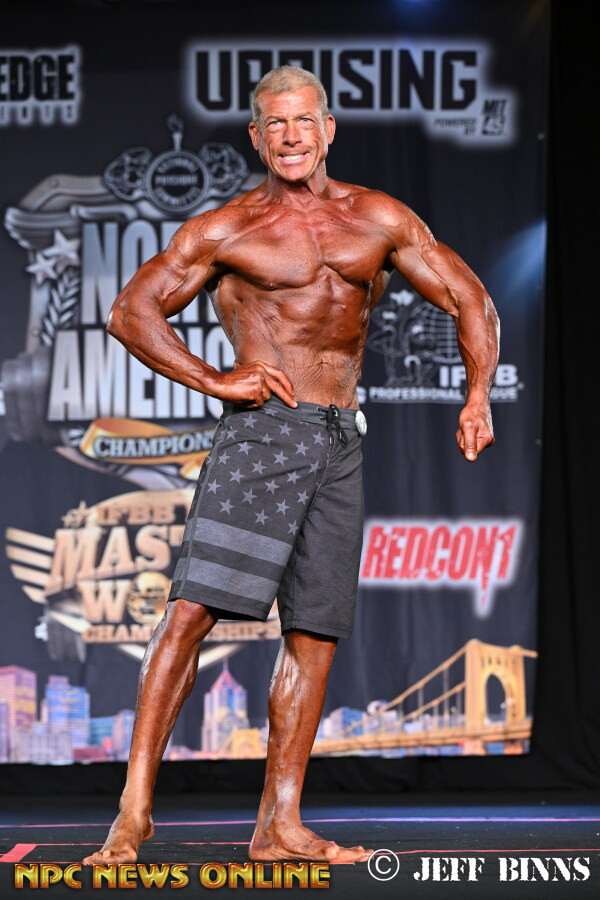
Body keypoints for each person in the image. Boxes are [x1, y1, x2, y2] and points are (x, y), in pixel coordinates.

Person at [83, 66, 498, 866]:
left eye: (303, 120)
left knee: (314, 635)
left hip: (341, 440)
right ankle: (132, 815)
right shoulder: (228, 228)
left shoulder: (378, 217)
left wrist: (477, 394)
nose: (291, 135)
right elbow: (130, 310)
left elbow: (468, 296)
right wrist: (214, 378)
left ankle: (280, 826)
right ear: (256, 137)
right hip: (263, 434)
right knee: (191, 613)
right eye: (274, 123)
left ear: (328, 128)